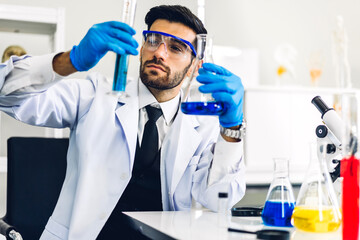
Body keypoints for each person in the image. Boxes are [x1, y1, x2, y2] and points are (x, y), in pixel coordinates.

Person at [0, 5, 245, 240]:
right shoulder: (95, 95)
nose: (159, 52)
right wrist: (70, 60)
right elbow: (7, 95)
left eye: (176, 47)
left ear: (195, 65)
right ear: (141, 46)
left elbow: (217, 198)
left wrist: (232, 128)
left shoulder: (204, 125)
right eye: (153, 40)